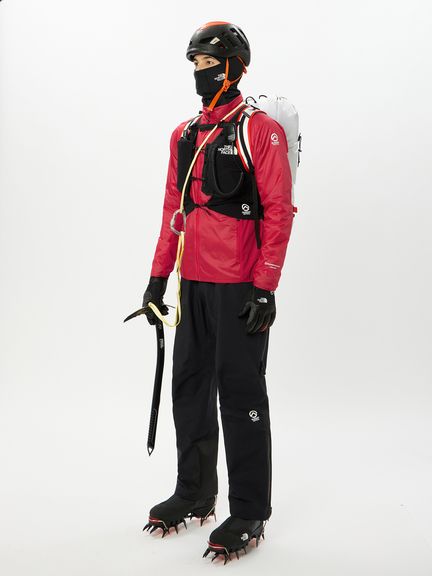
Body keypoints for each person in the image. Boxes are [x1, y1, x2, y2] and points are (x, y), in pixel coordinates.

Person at [141, 21, 295, 563]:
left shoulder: (259, 131)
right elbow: (174, 210)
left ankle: (249, 510)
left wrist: (266, 287)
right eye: (196, 65)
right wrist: (158, 278)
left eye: (209, 64)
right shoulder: (184, 135)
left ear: (234, 68)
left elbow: (279, 211)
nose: (200, 74)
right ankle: (195, 492)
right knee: (189, 389)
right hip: (194, 284)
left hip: (240, 288)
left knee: (241, 396)